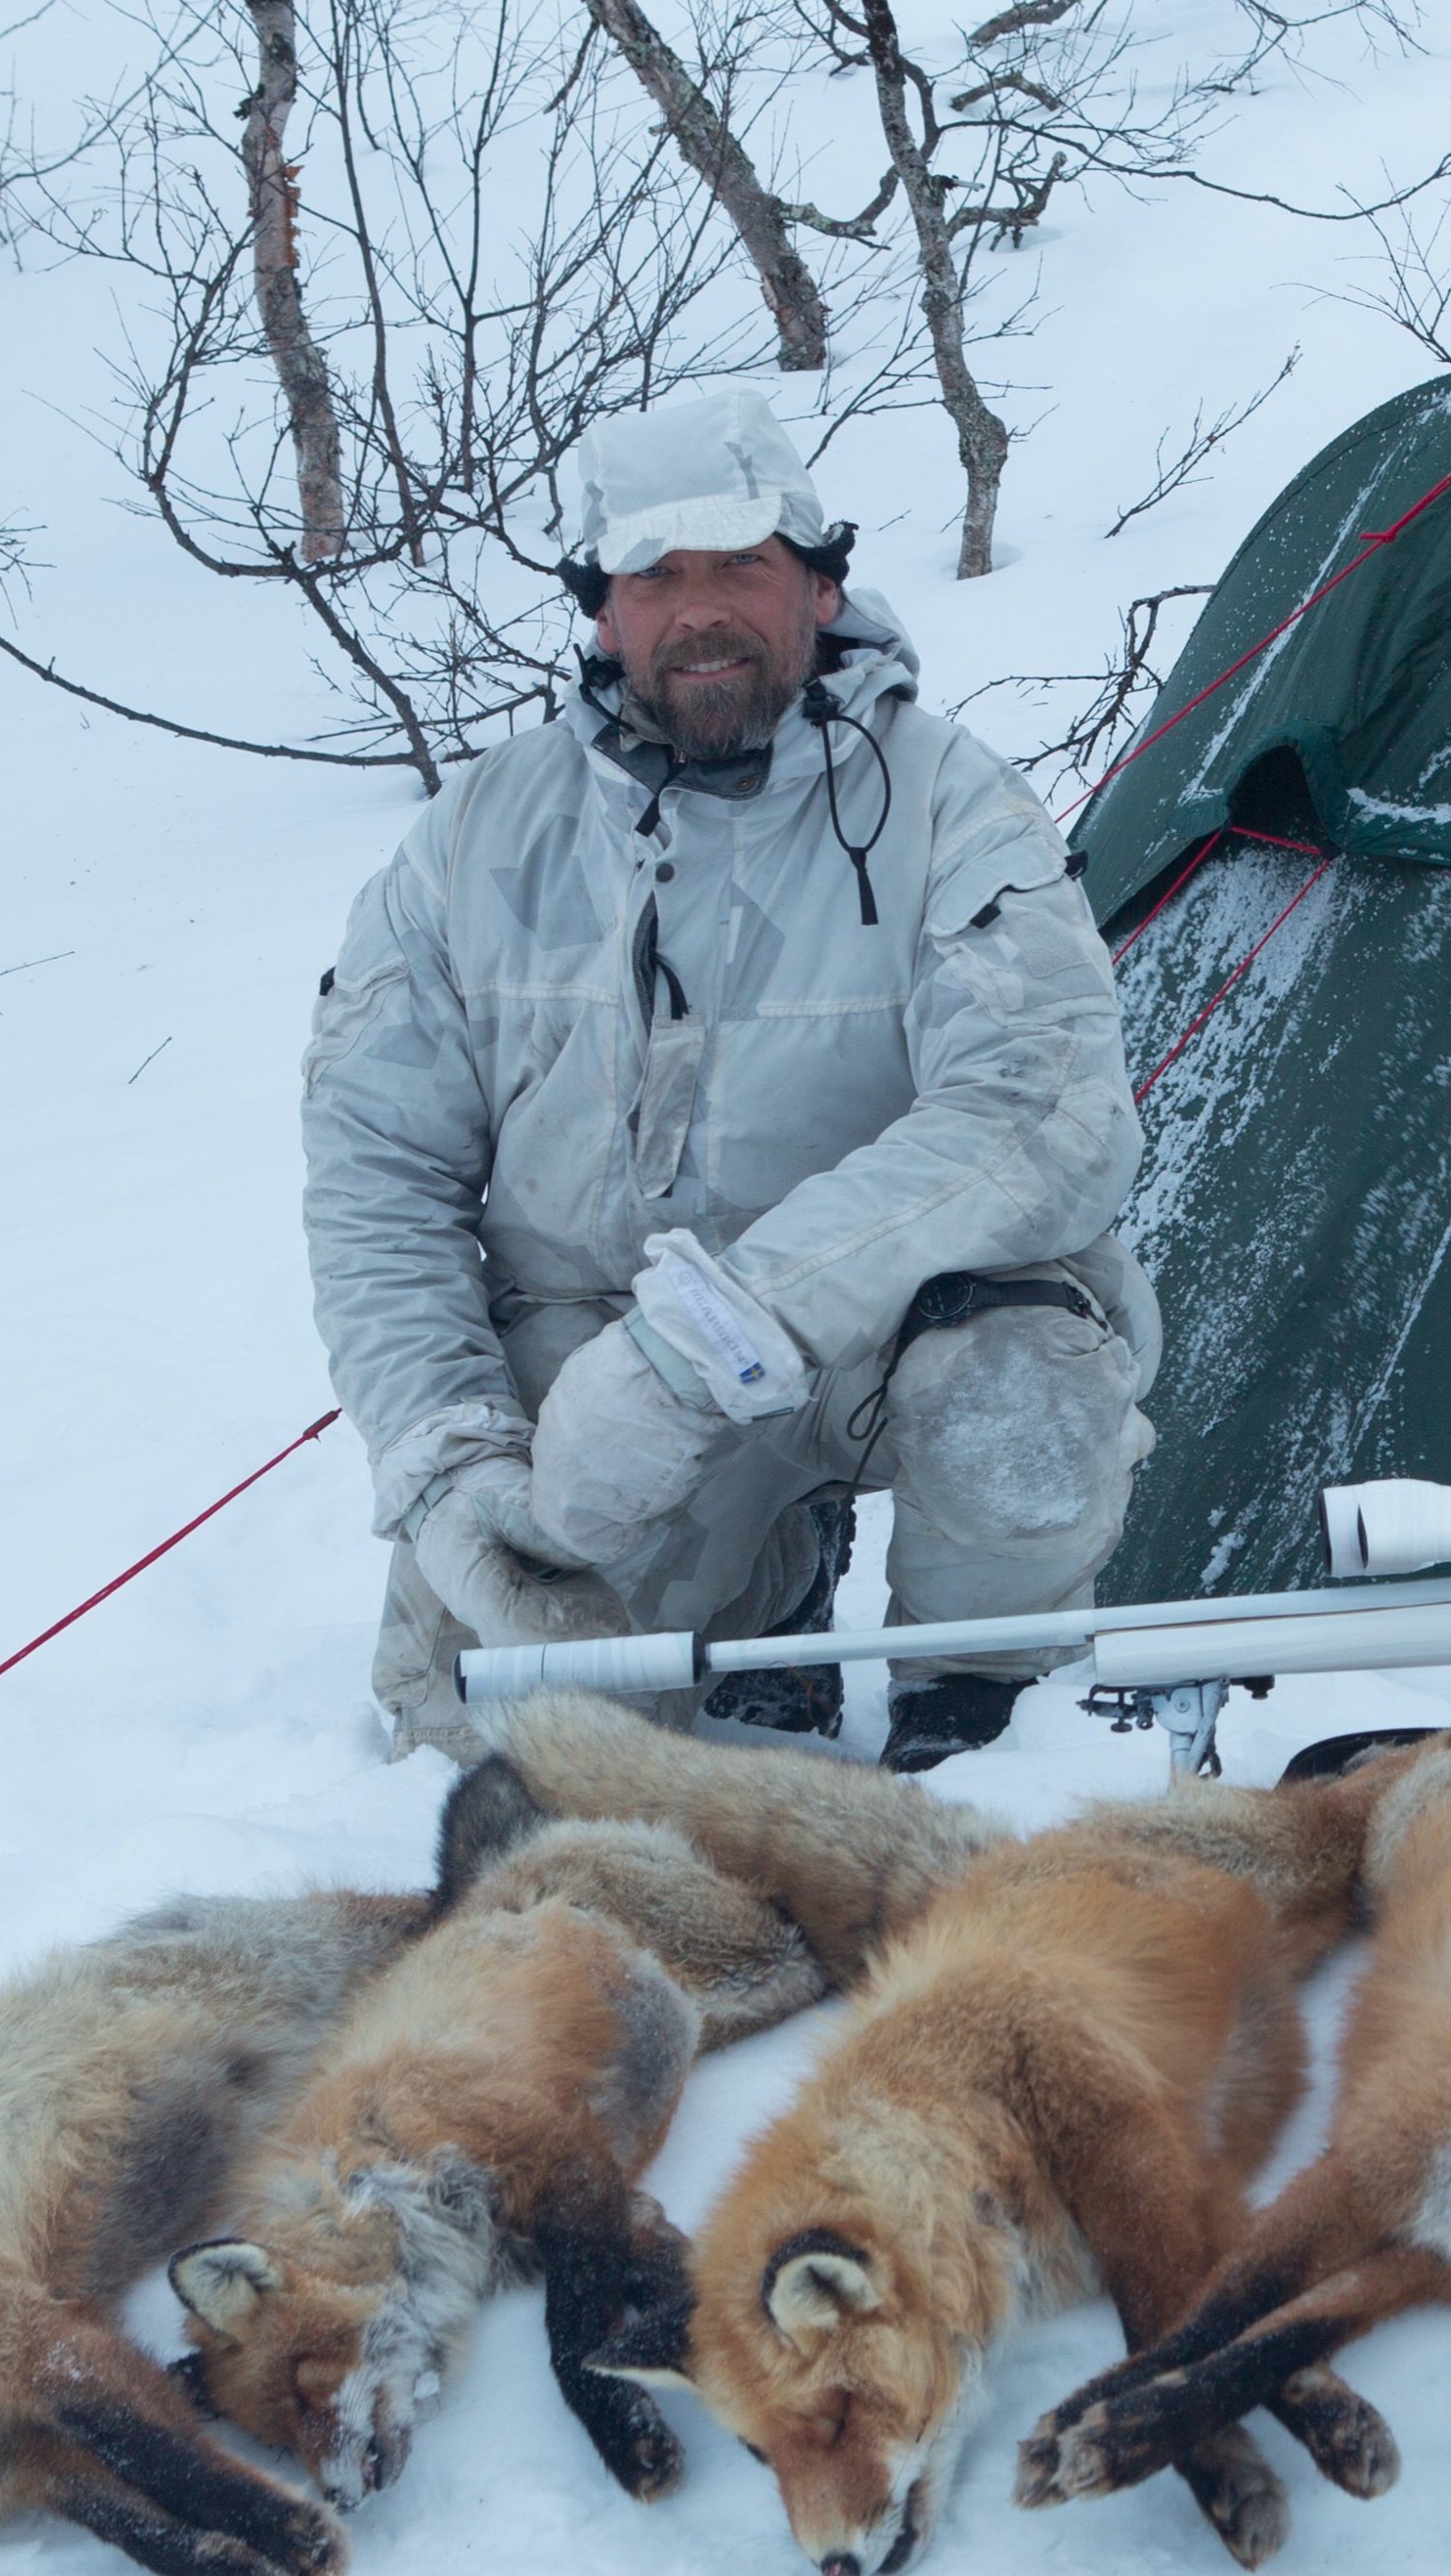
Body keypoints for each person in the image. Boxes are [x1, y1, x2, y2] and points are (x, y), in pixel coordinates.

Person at [302, 389, 1157, 1771]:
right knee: (495, 1727)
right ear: (603, 612)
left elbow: (1044, 1116)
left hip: (891, 1324)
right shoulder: (474, 838)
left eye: (742, 568)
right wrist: (447, 1452)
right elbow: (373, 1174)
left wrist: (708, 1340)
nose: (700, 609)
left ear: (819, 588)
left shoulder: (953, 801)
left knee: (1023, 1408)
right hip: (581, 1356)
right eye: (656, 577)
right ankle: (769, 1570)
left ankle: (986, 1719)